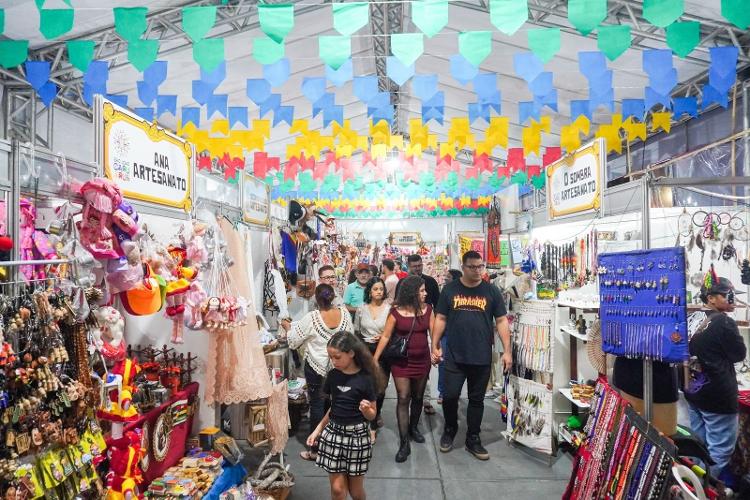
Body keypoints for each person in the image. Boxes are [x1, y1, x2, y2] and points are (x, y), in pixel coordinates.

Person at [431, 251, 512, 461]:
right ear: (464, 267)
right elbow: (440, 318)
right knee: (449, 396)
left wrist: (507, 351)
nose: (477, 271)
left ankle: (473, 437)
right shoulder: (450, 289)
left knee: (476, 400)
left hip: (481, 356)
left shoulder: (491, 291)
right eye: (473, 267)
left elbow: (502, 321)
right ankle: (450, 428)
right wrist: (435, 344)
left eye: (480, 266)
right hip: (455, 355)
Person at [307, 331, 386, 500]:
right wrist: (317, 430)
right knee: (337, 490)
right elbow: (333, 408)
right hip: (333, 433)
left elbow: (373, 415)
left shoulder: (366, 379)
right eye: (330, 357)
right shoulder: (333, 376)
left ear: (351, 353)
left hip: (357, 436)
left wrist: (367, 411)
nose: (333, 361)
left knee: (356, 491)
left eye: (337, 357)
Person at [685, 276, 746, 479]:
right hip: (717, 395)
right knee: (719, 450)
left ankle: (694, 485)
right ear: (711, 298)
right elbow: (739, 354)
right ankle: (707, 487)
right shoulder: (724, 322)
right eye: (728, 295)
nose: (732, 300)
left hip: (694, 389)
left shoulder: (692, 318)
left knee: (700, 445)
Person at [288, 284, 353, 462]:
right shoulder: (345, 314)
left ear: (316, 299)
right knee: (339, 403)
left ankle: (316, 448)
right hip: (340, 366)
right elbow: (351, 338)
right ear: (333, 297)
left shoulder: (312, 317)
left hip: (316, 367)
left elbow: (293, 341)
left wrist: (288, 328)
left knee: (317, 404)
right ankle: (339, 445)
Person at [374, 276, 434, 462]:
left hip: (422, 361)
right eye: (422, 290)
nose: (425, 293)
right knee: (402, 398)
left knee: (417, 397)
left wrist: (437, 350)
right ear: (412, 292)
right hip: (401, 362)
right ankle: (403, 443)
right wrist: (375, 358)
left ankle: (413, 427)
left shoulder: (428, 309)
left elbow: (434, 333)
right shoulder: (396, 312)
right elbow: (385, 336)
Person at [394, 254, 441, 415]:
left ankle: (425, 399)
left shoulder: (431, 282)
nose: (418, 268)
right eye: (414, 266)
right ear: (408, 266)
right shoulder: (403, 283)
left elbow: (437, 304)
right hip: (406, 329)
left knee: (424, 364)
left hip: (426, 323)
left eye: (420, 265)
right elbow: (397, 304)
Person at [354, 277, 391, 434]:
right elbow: (356, 331)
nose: (379, 292)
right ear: (369, 291)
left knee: (380, 387)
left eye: (381, 289)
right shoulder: (362, 309)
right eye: (375, 289)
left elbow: (392, 332)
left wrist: (383, 335)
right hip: (365, 350)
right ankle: (365, 416)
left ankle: (374, 421)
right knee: (365, 386)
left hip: (383, 351)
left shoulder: (389, 309)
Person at [436, 269, 463, 404]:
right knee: (443, 363)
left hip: (460, 335)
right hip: (446, 334)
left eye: (448, 277)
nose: (445, 279)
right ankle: (442, 392)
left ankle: (454, 392)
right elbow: (440, 316)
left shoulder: (463, 294)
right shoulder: (445, 293)